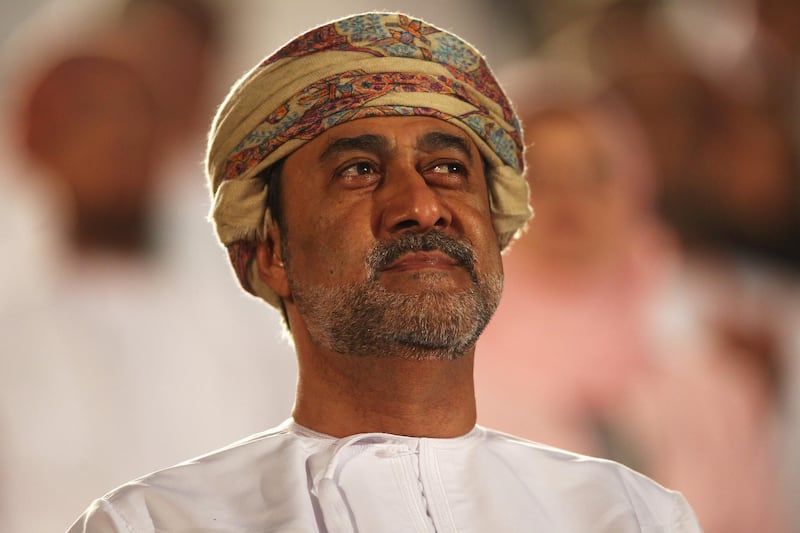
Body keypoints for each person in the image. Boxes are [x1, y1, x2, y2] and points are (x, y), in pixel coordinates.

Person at [68, 12, 702, 532]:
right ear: (271, 253)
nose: (421, 205)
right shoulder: (154, 525)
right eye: (359, 172)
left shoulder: (633, 516)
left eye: (450, 168)